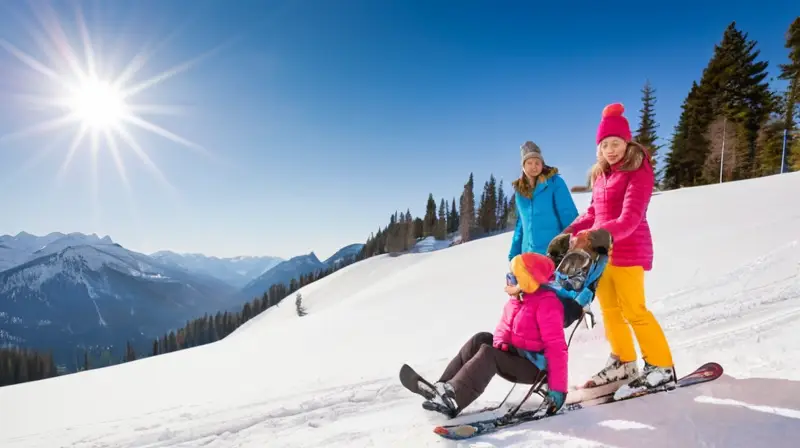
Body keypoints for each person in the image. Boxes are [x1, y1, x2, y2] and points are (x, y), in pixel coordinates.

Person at [559, 102, 676, 397]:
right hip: (602, 255)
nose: (610, 150)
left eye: (615, 143)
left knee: (634, 309)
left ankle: (661, 366)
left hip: (630, 250)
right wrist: (567, 234)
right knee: (610, 311)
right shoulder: (601, 175)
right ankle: (623, 361)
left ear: (627, 142)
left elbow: (630, 218)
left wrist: (597, 234)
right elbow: (593, 213)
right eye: (604, 145)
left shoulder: (638, 170)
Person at [419, 252, 567, 417]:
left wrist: (558, 388)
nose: (509, 280)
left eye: (514, 276)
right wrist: (501, 342)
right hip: (517, 355)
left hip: (535, 368)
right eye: (509, 275)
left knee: (488, 354)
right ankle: (442, 387)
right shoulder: (517, 299)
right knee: (481, 339)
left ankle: (455, 397)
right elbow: (503, 328)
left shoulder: (547, 304)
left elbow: (556, 348)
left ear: (527, 279)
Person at [509, 141, 579, 261]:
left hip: (554, 254)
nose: (534, 166)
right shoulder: (520, 192)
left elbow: (568, 214)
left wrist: (575, 245)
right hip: (528, 256)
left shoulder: (554, 183)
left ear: (543, 164)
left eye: (537, 162)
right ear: (523, 166)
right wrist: (513, 256)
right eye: (529, 163)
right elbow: (521, 226)